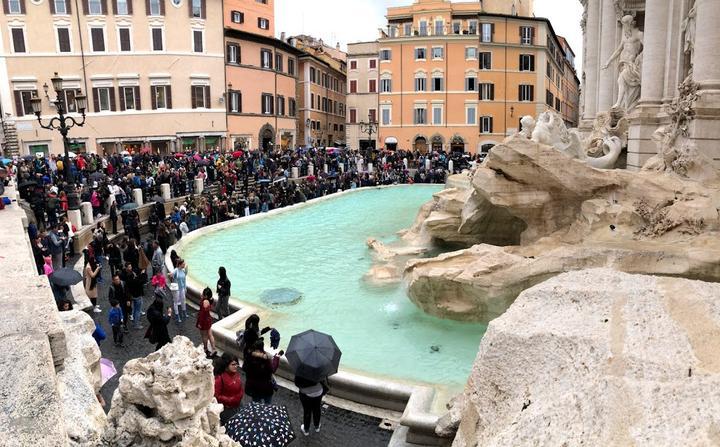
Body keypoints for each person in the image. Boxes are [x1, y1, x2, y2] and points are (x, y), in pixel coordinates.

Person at [242, 339, 281, 404]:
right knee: (267, 405)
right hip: (266, 387)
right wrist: (276, 358)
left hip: (253, 387)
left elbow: (244, 368)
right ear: (262, 347)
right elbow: (272, 369)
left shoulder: (249, 358)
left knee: (256, 405)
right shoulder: (265, 360)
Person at [214, 353, 244, 425]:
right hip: (227, 410)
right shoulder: (219, 379)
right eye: (233, 364)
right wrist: (230, 400)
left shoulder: (235, 374)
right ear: (226, 365)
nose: (236, 366)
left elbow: (240, 387)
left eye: (236, 364)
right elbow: (216, 396)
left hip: (238, 406)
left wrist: (240, 395)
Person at [196, 287, 216, 357]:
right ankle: (214, 349)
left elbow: (202, 314)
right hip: (208, 319)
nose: (202, 294)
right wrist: (202, 298)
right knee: (210, 335)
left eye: (203, 294)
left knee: (204, 336)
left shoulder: (204, 302)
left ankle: (205, 348)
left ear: (206, 296)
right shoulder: (210, 300)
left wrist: (200, 323)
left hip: (203, 320)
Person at [169, 258, 188, 323]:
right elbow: (170, 275)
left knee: (183, 300)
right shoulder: (175, 271)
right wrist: (171, 275)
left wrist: (185, 288)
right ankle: (177, 316)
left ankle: (184, 312)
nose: (184, 264)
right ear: (180, 264)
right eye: (183, 264)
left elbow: (184, 280)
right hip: (176, 289)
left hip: (182, 288)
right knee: (176, 302)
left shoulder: (183, 270)